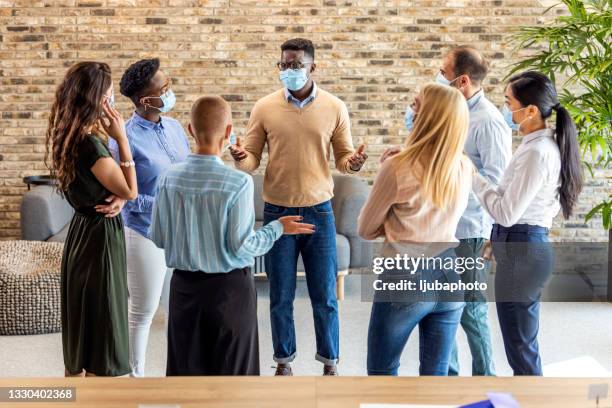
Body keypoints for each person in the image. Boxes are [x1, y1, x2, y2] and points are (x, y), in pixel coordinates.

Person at [229, 38, 368, 376]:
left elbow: (343, 159)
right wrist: (239, 157)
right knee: (281, 296)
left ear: (312, 67)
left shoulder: (335, 107)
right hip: (279, 212)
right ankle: (283, 361)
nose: (289, 70)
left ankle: (330, 361)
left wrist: (355, 163)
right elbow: (251, 162)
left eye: (296, 65)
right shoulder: (265, 107)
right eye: (284, 64)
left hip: (320, 212)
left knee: (325, 296)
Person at [150, 96, 315, 375]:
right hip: (229, 294)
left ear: (190, 130)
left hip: (182, 291)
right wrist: (278, 228)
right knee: (235, 383)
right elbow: (243, 247)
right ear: (228, 133)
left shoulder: (167, 178)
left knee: (185, 380)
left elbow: (158, 237)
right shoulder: (238, 182)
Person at [384, 46, 511, 376]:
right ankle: (448, 379)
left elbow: (496, 184)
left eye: (443, 70)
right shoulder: (449, 112)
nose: (437, 75)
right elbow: (437, 155)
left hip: (467, 230)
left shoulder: (489, 122)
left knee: (470, 310)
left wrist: (456, 172)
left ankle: (486, 379)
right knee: (442, 310)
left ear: (462, 80)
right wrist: (411, 153)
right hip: (440, 229)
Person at [473, 71, 583, 375]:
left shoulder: (537, 151)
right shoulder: (536, 145)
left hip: (523, 251)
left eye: (509, 103)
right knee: (520, 345)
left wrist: (472, 176)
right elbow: (516, 211)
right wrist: (498, 239)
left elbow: (506, 212)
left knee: (521, 350)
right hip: (520, 246)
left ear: (531, 110)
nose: (506, 110)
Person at [359, 83, 472, 376]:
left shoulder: (397, 167)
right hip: (449, 273)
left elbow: (365, 228)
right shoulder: (463, 167)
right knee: (435, 379)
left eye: (415, 104)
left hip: (404, 275)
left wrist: (396, 222)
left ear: (427, 117)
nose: (410, 110)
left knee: (382, 373)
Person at [45, 61, 138, 377]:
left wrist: (121, 196)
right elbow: (131, 189)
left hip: (80, 233)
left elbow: (117, 191)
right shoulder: (91, 144)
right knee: (104, 318)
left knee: (83, 315)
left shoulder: (66, 137)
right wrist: (122, 139)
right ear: (97, 99)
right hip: (100, 237)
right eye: (109, 96)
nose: (112, 103)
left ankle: (77, 383)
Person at [106, 58, 191, 377]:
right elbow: (126, 195)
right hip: (144, 233)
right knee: (143, 311)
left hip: (181, 234)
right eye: (164, 89)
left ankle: (181, 373)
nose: (170, 93)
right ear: (145, 100)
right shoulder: (123, 138)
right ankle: (134, 377)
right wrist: (168, 205)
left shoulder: (174, 127)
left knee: (181, 310)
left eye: (169, 85)